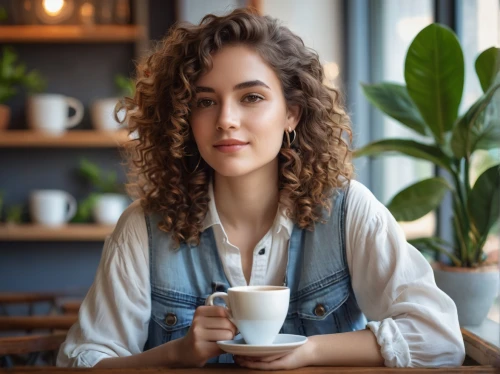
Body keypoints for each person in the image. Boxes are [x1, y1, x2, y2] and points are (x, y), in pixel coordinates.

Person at [57, 8, 465, 369]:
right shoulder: (143, 229)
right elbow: (82, 359)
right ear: (183, 118)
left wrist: (307, 351)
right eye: (204, 101)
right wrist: (176, 354)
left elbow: (439, 339)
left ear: (292, 112)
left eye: (251, 97)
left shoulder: (348, 211)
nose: (227, 120)